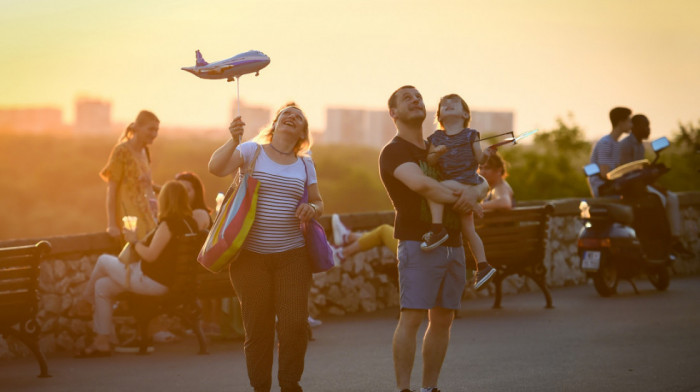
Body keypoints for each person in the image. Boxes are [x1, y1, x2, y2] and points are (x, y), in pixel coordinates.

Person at [208, 103, 323, 392]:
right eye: (287, 115)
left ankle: (289, 385)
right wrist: (233, 140)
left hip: (293, 256)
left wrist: (311, 207)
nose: (292, 118)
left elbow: (319, 202)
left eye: (298, 118)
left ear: (302, 133)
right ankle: (260, 388)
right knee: (258, 330)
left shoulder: (305, 164)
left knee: (294, 326)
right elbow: (215, 168)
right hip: (250, 258)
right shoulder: (251, 151)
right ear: (275, 124)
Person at [380, 85, 474, 392]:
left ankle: (429, 388)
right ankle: (404, 389)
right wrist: (464, 199)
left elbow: (476, 177)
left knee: (443, 320)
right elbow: (422, 184)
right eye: (406, 98)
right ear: (393, 113)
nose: (416, 100)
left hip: (454, 243)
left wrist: (477, 192)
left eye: (418, 96)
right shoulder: (394, 151)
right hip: (418, 243)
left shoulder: (439, 147)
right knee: (412, 318)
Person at [76, 181, 206, 357]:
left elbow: (150, 255)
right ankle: (102, 341)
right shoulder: (190, 223)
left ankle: (84, 301)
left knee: (103, 260)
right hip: (169, 281)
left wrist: (133, 241)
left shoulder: (168, 224)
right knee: (102, 286)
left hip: (152, 282)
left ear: (166, 201)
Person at [420, 94, 496, 290]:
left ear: (465, 114)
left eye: (454, 104)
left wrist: (486, 154)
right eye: (444, 105)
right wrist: (437, 152)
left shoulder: (471, 134)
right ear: (439, 116)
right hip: (457, 186)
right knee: (468, 229)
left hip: (468, 182)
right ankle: (483, 265)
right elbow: (430, 161)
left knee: (433, 188)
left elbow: (479, 159)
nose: (449, 105)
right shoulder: (435, 138)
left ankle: (437, 229)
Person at [619, 114, 691, 257]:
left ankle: (674, 239)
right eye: (645, 126)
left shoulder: (639, 146)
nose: (648, 129)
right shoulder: (626, 145)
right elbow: (627, 172)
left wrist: (654, 181)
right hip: (632, 188)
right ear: (635, 127)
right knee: (660, 199)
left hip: (641, 184)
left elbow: (640, 171)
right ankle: (661, 236)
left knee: (672, 198)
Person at [101, 110, 161, 240]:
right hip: (127, 215)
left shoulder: (145, 151)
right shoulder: (121, 151)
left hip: (145, 214)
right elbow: (112, 188)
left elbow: (145, 184)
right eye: (150, 129)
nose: (154, 134)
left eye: (156, 130)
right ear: (137, 127)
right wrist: (111, 224)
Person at [587, 107, 632, 197]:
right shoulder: (606, 143)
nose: (631, 125)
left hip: (611, 185)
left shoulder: (616, 143)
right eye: (629, 121)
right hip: (602, 187)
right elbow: (605, 174)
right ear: (621, 122)